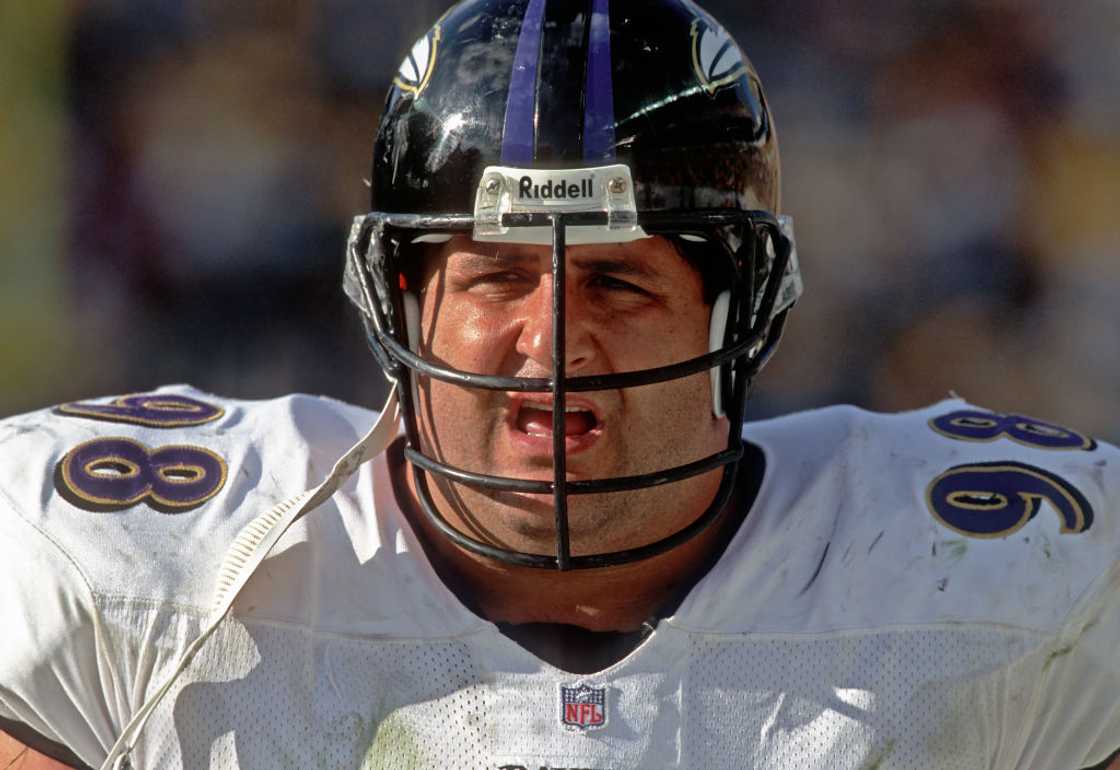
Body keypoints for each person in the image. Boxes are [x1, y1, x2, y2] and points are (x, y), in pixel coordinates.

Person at [1, 0, 1117, 768]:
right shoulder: (148, 572)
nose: (552, 341)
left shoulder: (999, 578)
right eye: (494, 278)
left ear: (739, 309)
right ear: (400, 301)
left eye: (621, 284)